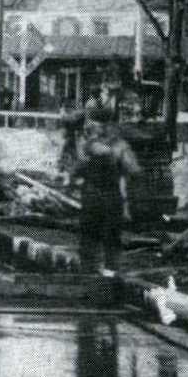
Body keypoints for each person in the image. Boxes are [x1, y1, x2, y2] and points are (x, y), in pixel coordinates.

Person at [69, 111, 139, 275]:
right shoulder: (119, 146)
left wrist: (77, 182)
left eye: (95, 124)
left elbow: (76, 171)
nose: (94, 127)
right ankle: (107, 275)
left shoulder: (88, 146)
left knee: (93, 237)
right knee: (107, 238)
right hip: (108, 197)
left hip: (95, 197)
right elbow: (134, 170)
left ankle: (92, 274)